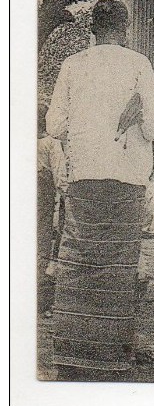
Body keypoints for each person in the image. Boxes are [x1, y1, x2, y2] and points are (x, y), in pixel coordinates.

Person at [46, 0, 154, 378]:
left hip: (84, 176)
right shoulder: (138, 65)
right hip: (126, 176)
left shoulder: (72, 65)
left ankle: (71, 349)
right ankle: (110, 353)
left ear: (92, 28)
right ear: (126, 27)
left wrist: (88, 129)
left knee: (79, 260)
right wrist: (132, 121)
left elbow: (54, 126)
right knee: (117, 265)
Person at [38, 103, 68, 315]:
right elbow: (59, 174)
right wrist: (66, 193)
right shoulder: (51, 144)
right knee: (41, 239)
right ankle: (40, 297)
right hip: (42, 193)